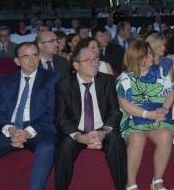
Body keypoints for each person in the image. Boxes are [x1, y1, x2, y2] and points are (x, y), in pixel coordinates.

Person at [0, 42, 60, 190]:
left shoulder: (52, 78)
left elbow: (51, 112)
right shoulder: (6, 81)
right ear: (17, 61)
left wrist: (27, 132)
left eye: (35, 55)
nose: (32, 60)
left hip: (39, 129)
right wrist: (11, 130)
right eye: (26, 56)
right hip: (11, 128)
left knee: (47, 147)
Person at [54, 43, 126, 190]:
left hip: (102, 128)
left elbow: (115, 112)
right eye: (89, 60)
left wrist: (103, 132)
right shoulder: (64, 85)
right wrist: (79, 137)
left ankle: (122, 187)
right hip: (77, 131)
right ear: (76, 65)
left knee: (115, 141)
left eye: (96, 59)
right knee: (65, 146)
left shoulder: (107, 80)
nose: (94, 63)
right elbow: (61, 118)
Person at [116, 40, 174, 190]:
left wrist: (165, 108)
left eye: (150, 53)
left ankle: (157, 181)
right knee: (137, 138)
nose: (151, 56)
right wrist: (148, 114)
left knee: (166, 135)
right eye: (147, 54)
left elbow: (171, 92)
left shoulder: (160, 72)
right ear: (137, 57)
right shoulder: (125, 78)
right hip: (133, 119)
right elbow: (125, 105)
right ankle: (131, 183)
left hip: (158, 116)